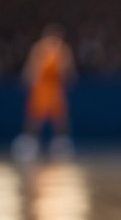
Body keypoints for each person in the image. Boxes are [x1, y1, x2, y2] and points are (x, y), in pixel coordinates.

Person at [13, 24, 75, 160]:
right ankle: (30, 142)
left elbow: (68, 70)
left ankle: (61, 143)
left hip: (55, 87)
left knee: (59, 117)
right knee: (35, 116)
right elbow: (32, 67)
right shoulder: (39, 48)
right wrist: (29, 79)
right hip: (41, 88)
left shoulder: (63, 49)